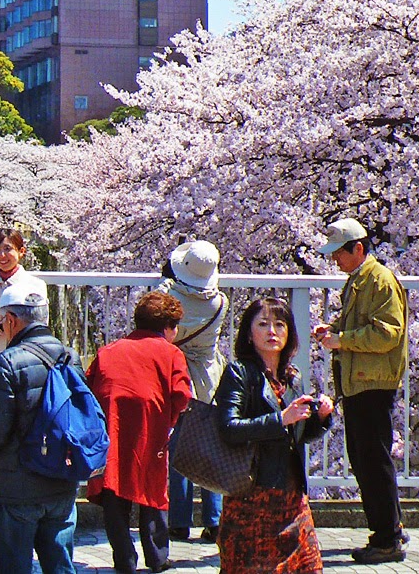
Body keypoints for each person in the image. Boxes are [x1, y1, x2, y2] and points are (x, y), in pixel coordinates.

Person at [311, 216, 408, 564]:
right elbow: (362, 324)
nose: (335, 259)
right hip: (360, 380)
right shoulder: (360, 280)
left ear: (358, 249)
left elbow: (388, 334)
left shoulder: (378, 281)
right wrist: (333, 328)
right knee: (370, 458)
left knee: (371, 459)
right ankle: (390, 527)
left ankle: (386, 538)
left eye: (339, 253)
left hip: (371, 382)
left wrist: (342, 340)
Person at [215, 296, 333, 574]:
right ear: (248, 333)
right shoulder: (239, 373)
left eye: (280, 325)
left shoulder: (292, 376)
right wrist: (280, 418)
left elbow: (296, 435)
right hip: (252, 495)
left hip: (291, 495)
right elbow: (229, 428)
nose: (272, 332)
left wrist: (320, 419)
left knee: (308, 566)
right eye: (263, 324)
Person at [0, 287, 78, 574]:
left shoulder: (7, 363)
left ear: (11, 321)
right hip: (62, 482)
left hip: (16, 488)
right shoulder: (70, 357)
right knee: (60, 566)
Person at [85, 290, 192, 574]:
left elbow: (89, 386)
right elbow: (182, 395)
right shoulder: (171, 353)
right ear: (168, 327)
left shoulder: (109, 350)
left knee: (113, 490)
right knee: (153, 490)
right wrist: (170, 418)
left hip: (113, 428)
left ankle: (124, 559)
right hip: (151, 428)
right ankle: (157, 557)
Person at [157, 240, 228, 543]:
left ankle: (178, 520)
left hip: (177, 374)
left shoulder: (168, 298)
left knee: (177, 447)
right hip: (210, 376)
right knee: (210, 447)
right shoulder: (221, 302)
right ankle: (214, 520)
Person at [0, 230, 49, 389]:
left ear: (21, 251)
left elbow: (39, 325)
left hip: (26, 360)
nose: (2, 255)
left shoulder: (35, 286)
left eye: (8, 249)